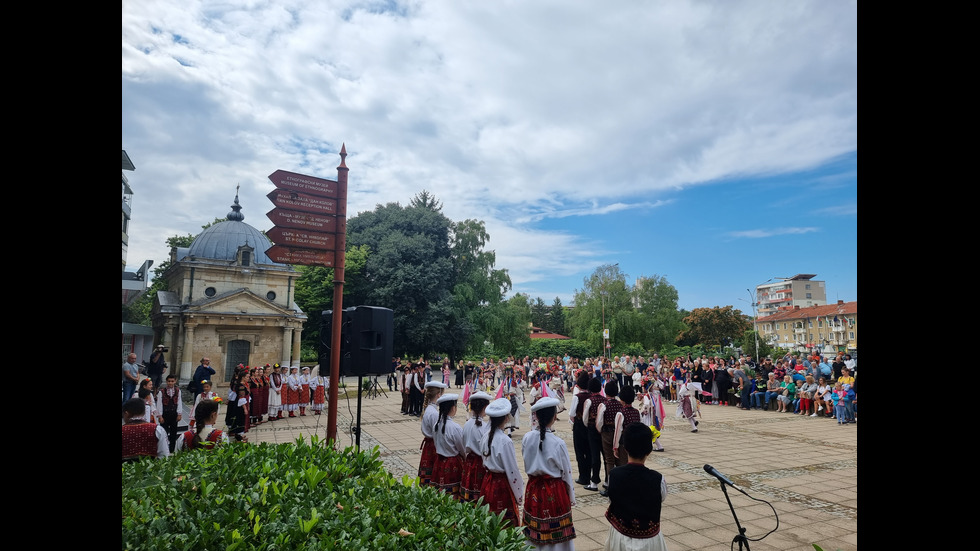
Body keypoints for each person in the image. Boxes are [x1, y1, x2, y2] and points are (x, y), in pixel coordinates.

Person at [604, 422, 669, 551]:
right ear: (649, 450)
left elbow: (612, 498)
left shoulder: (614, 475)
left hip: (620, 537)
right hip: (650, 541)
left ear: (626, 448)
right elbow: (661, 497)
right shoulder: (658, 479)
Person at [522, 397, 576, 549]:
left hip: (533, 488)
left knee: (535, 529)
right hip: (554, 491)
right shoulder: (558, 443)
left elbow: (527, 464)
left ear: (537, 416)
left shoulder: (527, 438)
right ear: (554, 417)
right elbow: (566, 473)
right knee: (556, 533)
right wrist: (570, 497)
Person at [480, 397, 525, 527]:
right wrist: (519, 494)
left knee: (489, 519)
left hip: (488, 482)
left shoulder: (485, 436)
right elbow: (512, 471)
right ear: (506, 418)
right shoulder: (505, 441)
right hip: (502, 486)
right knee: (505, 522)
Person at [432, 394, 466, 499]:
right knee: (454, 493)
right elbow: (461, 448)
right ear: (453, 408)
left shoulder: (436, 425)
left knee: (441, 491)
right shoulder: (455, 427)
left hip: (439, 462)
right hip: (452, 464)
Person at [460, 391, 492, 503]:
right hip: (480, 464)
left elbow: (463, 443)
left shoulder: (467, 424)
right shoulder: (484, 427)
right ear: (485, 407)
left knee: (469, 491)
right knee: (480, 493)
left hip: (469, 462)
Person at [595, 379, 623, 496]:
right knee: (619, 459)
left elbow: (599, 423)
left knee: (609, 459)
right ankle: (620, 484)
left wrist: (601, 430)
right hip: (619, 433)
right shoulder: (620, 404)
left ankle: (610, 484)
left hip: (607, 433)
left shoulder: (603, 405)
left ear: (605, 392)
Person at [418, 381, 447, 487]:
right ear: (438, 395)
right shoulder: (434, 413)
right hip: (433, 446)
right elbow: (437, 434)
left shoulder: (429, 409)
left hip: (429, 445)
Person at [567, 372, 593, 487]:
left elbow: (572, 413)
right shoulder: (592, 396)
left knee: (580, 451)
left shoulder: (577, 397)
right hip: (590, 426)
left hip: (579, 424)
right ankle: (590, 474)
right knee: (589, 450)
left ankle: (583, 476)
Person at [583, 377, 607, 492]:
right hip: (604, 430)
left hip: (592, 429)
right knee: (606, 455)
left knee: (594, 455)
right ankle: (608, 480)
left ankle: (594, 481)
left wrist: (590, 425)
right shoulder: (604, 400)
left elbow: (584, 418)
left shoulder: (589, 400)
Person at [612, 386, 645, 463]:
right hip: (636, 443)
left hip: (624, 444)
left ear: (621, 399)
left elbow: (617, 432)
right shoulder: (636, 412)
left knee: (624, 464)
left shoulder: (620, 413)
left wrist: (615, 447)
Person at [156, 373, 184, 453]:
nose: (170, 383)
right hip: (165, 413)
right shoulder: (162, 391)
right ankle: (164, 448)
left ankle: (172, 449)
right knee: (164, 432)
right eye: (169, 381)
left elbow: (179, 402)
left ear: (175, 381)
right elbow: (159, 404)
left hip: (174, 413)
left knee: (173, 432)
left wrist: (179, 413)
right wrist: (160, 416)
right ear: (166, 382)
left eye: (172, 381)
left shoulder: (178, 391)